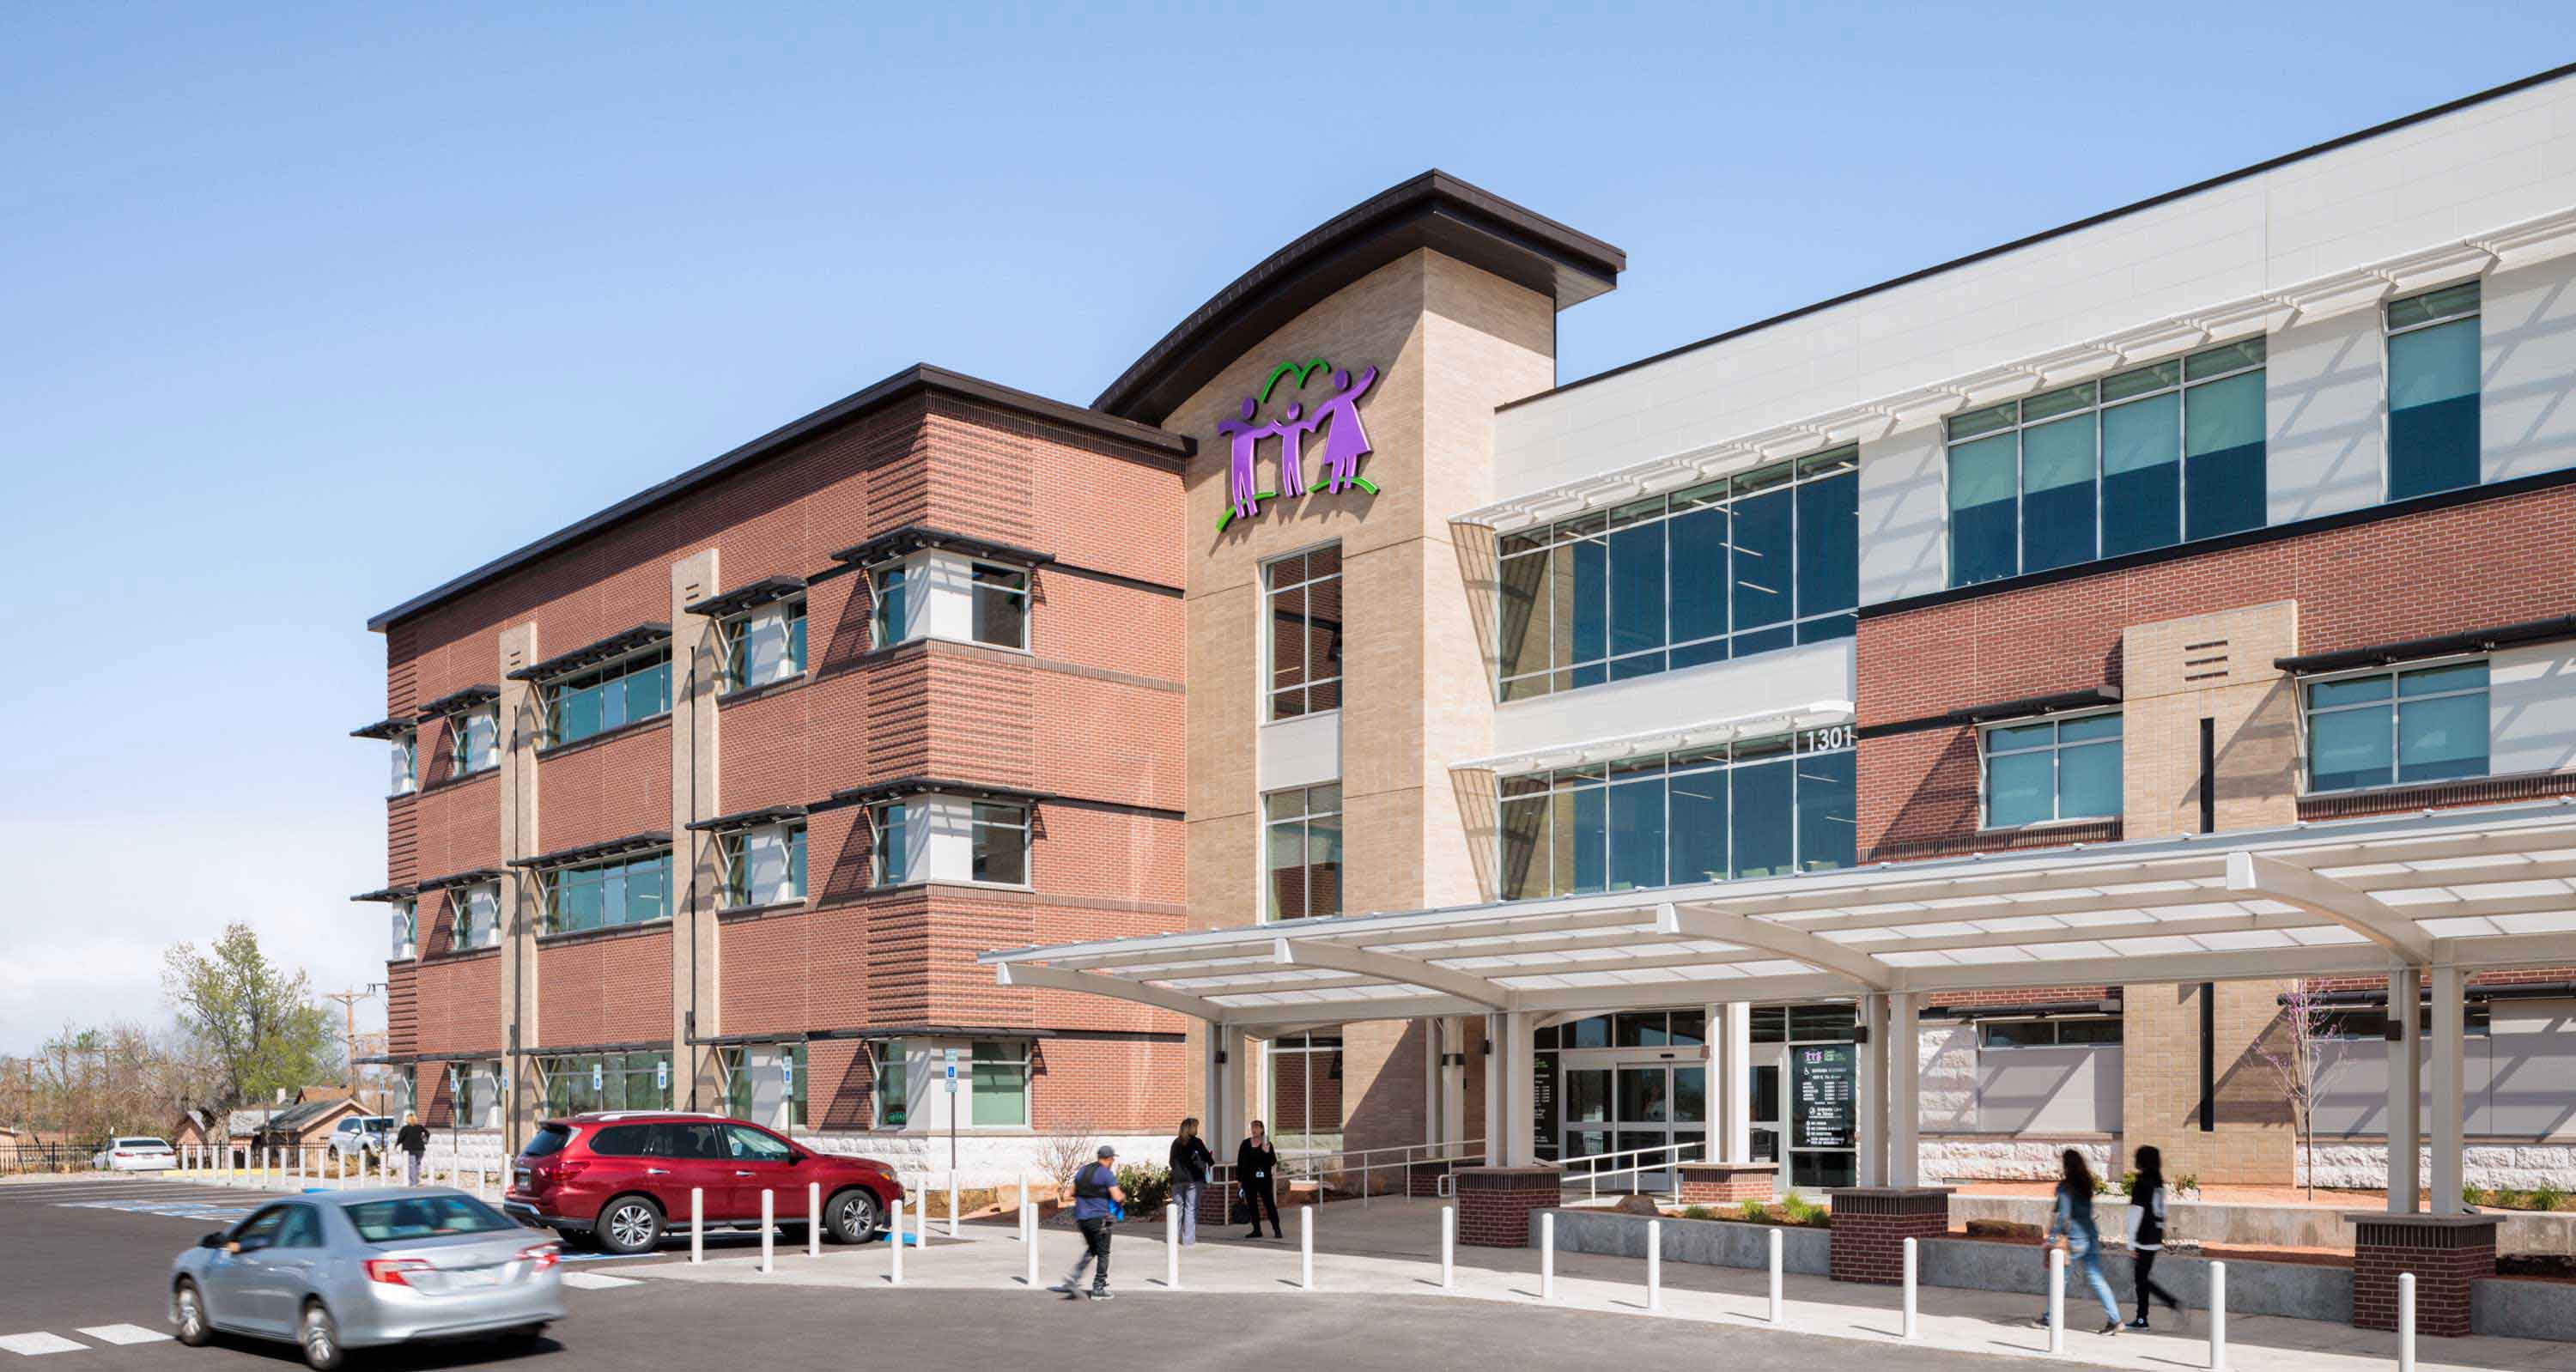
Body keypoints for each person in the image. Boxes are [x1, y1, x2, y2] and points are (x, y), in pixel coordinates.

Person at [2033, 1149, 2123, 1336]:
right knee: (2096, 1278)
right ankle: (2115, 1319)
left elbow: (2063, 1216)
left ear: (2066, 1166)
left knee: (2060, 1279)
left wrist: (2050, 1239)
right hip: (2090, 1236)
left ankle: (2050, 1318)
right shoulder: (2086, 1184)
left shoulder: (2066, 1187)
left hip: (2073, 1239)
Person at [1050, 1144, 1126, 1301]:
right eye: (1112, 1159)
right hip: (1099, 1219)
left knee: (1093, 1249)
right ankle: (1099, 1287)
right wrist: (1123, 1197)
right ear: (1110, 1159)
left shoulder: (1083, 1171)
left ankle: (1075, 1276)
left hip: (1081, 1219)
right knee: (1103, 1252)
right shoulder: (1106, 1174)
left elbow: (1067, 1194)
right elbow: (1117, 1197)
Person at [2125, 1146, 2186, 1330]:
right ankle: (2145, 1316)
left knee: (2141, 1281)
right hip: (2154, 1236)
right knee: (2142, 1279)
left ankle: (2147, 1317)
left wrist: (2131, 1243)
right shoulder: (2158, 1183)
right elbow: (2162, 1211)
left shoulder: (2142, 1183)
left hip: (2142, 1238)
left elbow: (2135, 1212)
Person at [1168, 1118, 1213, 1246]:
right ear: (1192, 1128)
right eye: (1196, 1127)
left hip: (1177, 1180)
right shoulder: (1197, 1142)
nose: (1197, 1129)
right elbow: (1209, 1160)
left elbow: (1171, 1161)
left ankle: (1173, 1239)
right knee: (1190, 1209)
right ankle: (1188, 1240)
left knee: (1177, 1209)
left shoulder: (1176, 1143)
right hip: (1193, 1180)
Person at [1236, 1120, 1281, 1240]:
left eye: (1256, 1127)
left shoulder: (1267, 1143)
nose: (1254, 1130)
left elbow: (1272, 1161)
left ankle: (1277, 1229)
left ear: (1262, 1129)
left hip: (1263, 1180)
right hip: (1248, 1180)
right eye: (1252, 1127)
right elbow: (1240, 1163)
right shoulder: (1245, 1144)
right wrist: (1239, 1180)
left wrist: (1266, 1153)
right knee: (1252, 1206)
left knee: (1269, 1204)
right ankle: (1256, 1230)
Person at [394, 1111, 429, 1187]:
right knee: (417, 1165)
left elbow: (400, 1138)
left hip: (410, 1150)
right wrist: (425, 1140)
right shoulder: (420, 1127)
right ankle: (416, 1181)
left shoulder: (405, 1128)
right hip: (420, 1149)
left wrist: (396, 1145)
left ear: (407, 1120)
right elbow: (428, 1133)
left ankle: (413, 1183)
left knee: (412, 1166)